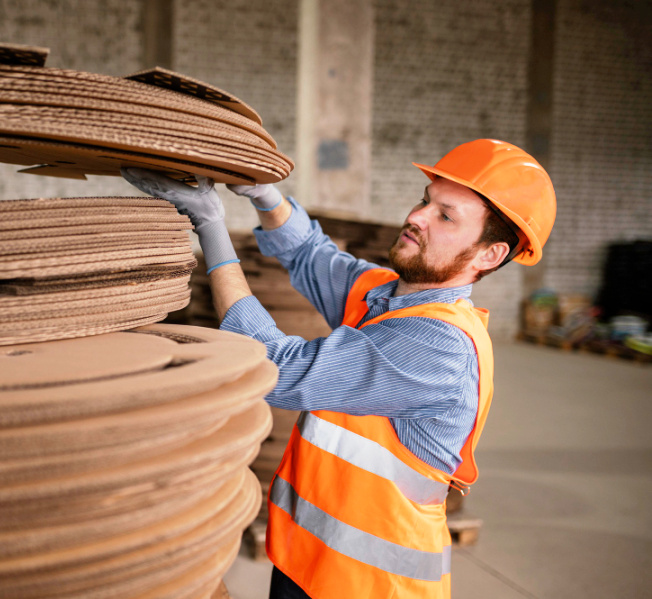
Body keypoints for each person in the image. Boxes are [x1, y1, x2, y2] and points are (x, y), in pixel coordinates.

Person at [122, 138, 556, 599]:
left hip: (368, 584)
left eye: (445, 216)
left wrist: (211, 226)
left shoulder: (437, 348)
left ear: (490, 255)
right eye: (425, 201)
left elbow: (276, 367)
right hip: (308, 560)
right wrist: (266, 194)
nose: (416, 216)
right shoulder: (389, 296)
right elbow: (312, 255)